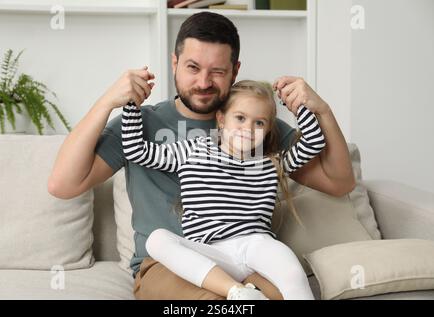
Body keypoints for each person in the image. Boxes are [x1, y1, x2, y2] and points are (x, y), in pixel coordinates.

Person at [48, 12, 355, 299]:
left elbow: (339, 183)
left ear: (235, 71)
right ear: (175, 63)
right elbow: (62, 185)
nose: (204, 82)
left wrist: (322, 111)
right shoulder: (146, 123)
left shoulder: (257, 125)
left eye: (217, 71)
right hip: (167, 265)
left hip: (250, 258)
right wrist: (107, 102)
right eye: (193, 67)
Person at [121, 80, 325, 300]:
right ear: (221, 119)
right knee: (157, 240)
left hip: (256, 246)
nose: (248, 129)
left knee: (292, 272)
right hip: (210, 254)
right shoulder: (193, 150)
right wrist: (132, 103)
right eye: (240, 118)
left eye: (259, 123)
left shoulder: (272, 163)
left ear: (267, 130)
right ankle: (237, 292)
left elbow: (314, 141)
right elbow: (136, 150)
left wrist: (297, 105)